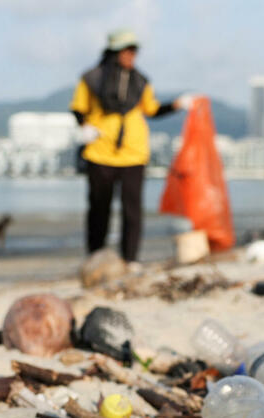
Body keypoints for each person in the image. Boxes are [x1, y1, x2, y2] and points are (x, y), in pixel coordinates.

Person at [71, 29, 193, 265]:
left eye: (134, 51)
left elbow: (152, 109)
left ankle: (131, 259)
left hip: (134, 153)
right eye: (127, 50)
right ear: (114, 52)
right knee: (99, 209)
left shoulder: (141, 81)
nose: (131, 55)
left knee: (132, 210)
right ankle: (96, 257)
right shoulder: (91, 78)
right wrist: (84, 127)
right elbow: (78, 108)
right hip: (100, 152)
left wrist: (177, 105)